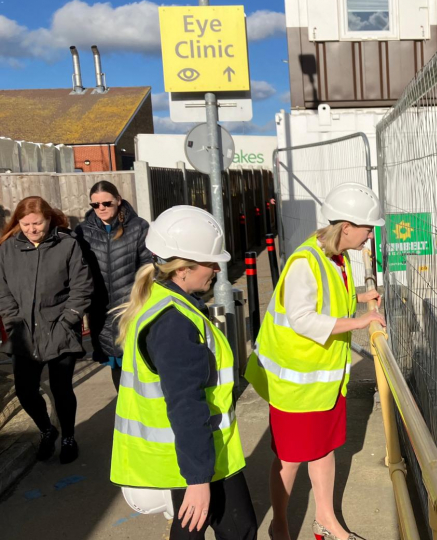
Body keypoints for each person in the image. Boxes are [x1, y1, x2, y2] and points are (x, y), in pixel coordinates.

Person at [245, 183, 386, 540]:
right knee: (290, 459)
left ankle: (326, 520)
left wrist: (358, 296)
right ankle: (281, 527)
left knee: (324, 450)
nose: (371, 234)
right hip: (295, 384)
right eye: (368, 227)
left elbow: (328, 301)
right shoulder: (305, 261)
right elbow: (302, 318)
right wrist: (359, 321)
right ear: (347, 226)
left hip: (320, 382)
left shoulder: (336, 258)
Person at [110, 206, 256, 540]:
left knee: (234, 527)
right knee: (231, 529)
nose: (218, 269)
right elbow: (185, 404)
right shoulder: (174, 322)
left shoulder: (164, 301)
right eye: (210, 262)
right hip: (193, 457)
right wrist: (198, 480)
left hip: (201, 452)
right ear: (183, 268)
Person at [0, 196, 93, 463]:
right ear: (18, 223)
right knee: (25, 390)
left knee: (62, 388)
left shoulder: (67, 245)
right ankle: (47, 430)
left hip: (60, 329)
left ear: (49, 219)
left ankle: (68, 437)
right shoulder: (7, 250)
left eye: (37, 223)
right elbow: (2, 290)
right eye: (25, 224)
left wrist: (68, 320)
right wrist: (12, 320)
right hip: (23, 332)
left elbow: (81, 287)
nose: (32, 229)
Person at [75, 181, 152, 391]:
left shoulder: (138, 227)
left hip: (131, 309)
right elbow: (77, 271)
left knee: (141, 366)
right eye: (95, 205)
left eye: (106, 203)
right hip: (100, 312)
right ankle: (127, 417)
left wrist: (140, 300)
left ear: (118, 200)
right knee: (117, 371)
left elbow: (148, 267)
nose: (101, 208)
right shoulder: (82, 232)